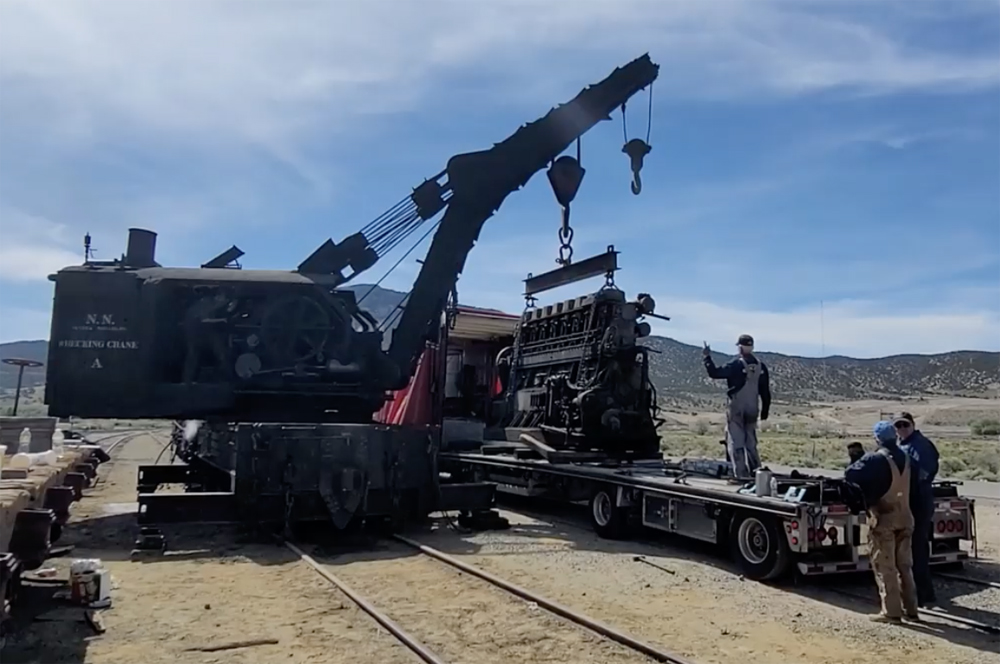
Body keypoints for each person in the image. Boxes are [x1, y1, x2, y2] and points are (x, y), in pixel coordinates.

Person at [845, 421, 920, 623]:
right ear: (895, 436)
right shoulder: (906, 456)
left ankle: (892, 612)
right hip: (906, 517)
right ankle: (911, 609)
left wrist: (856, 457)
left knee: (885, 566)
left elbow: (850, 474)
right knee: (905, 566)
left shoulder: (875, 459)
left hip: (885, 518)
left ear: (877, 439)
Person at [702, 334, 771, 481]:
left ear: (740, 347)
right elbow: (765, 391)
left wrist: (707, 358)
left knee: (736, 442)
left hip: (736, 409)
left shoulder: (736, 365)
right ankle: (757, 473)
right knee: (751, 442)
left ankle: (741, 476)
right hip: (753, 408)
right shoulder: (761, 366)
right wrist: (765, 411)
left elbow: (715, 373)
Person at [895, 412, 940, 607]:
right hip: (906, 501)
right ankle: (914, 591)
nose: (902, 429)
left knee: (917, 547)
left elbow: (925, 472)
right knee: (908, 548)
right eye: (898, 426)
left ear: (912, 424)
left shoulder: (921, 445)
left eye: (905, 425)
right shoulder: (900, 444)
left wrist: (905, 484)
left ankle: (923, 593)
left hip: (918, 501)